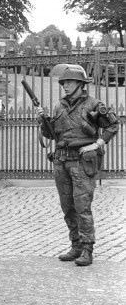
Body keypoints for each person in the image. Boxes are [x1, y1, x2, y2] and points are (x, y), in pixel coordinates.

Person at [37, 65, 119, 266]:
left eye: (70, 82)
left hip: (82, 162)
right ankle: (75, 246)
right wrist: (43, 120)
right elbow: (51, 134)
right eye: (64, 83)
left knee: (82, 207)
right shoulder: (58, 106)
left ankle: (87, 249)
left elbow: (113, 125)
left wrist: (97, 143)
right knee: (67, 207)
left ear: (81, 85)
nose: (65, 86)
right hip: (61, 160)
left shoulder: (94, 104)